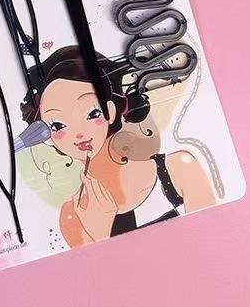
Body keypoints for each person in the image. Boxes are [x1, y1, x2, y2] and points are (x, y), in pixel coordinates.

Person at [21, 46, 216, 246]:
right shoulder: (72, 216)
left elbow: (214, 243)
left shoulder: (179, 169)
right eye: (57, 125)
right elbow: (101, 267)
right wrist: (100, 233)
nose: (79, 132)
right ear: (46, 137)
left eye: (93, 113)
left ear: (111, 111)